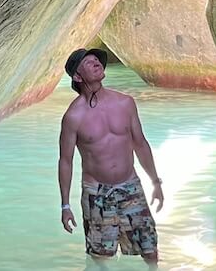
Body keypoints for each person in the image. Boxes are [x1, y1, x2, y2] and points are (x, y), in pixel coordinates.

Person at [58, 47, 164, 267]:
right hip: (97, 192)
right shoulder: (73, 117)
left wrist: (155, 181)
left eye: (97, 59)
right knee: (100, 256)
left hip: (130, 186)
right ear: (77, 77)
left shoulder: (125, 103)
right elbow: (65, 161)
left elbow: (140, 144)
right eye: (88, 62)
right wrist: (65, 206)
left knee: (150, 250)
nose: (96, 62)